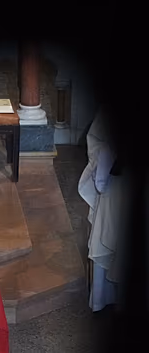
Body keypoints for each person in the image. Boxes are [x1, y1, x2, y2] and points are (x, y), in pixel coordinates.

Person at [78, 108, 125, 311]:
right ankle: (104, 297)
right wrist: (108, 156)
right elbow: (96, 142)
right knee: (111, 235)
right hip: (116, 187)